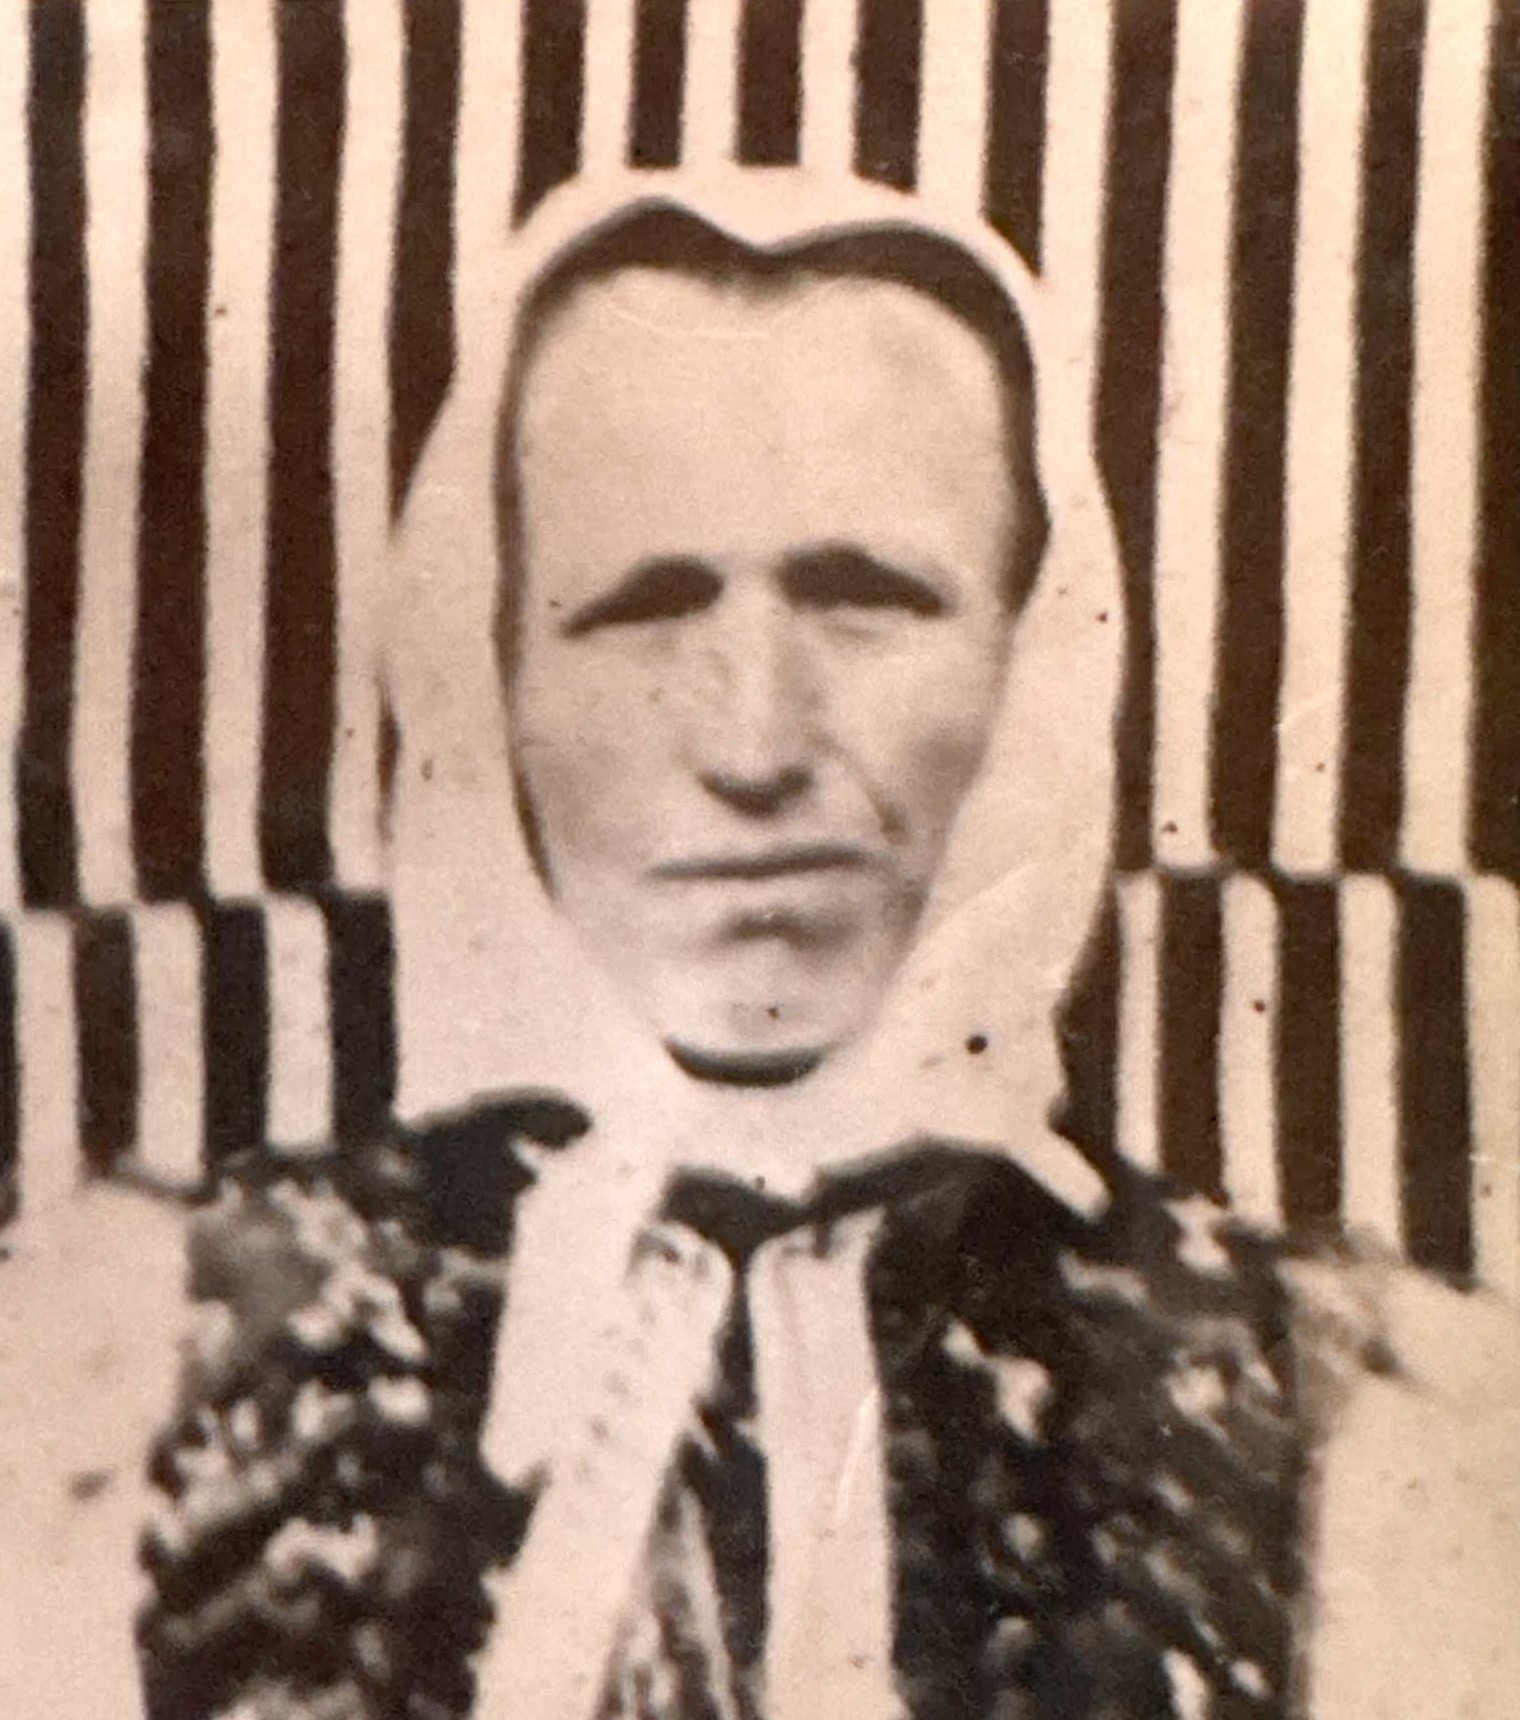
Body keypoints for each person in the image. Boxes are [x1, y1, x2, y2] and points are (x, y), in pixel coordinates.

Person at [131, 172, 1519, 1720]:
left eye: (868, 599)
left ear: (1040, 660)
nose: (754, 746)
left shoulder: (1368, 1435)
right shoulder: (125, 1374)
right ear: (487, 670)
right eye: (638, 607)